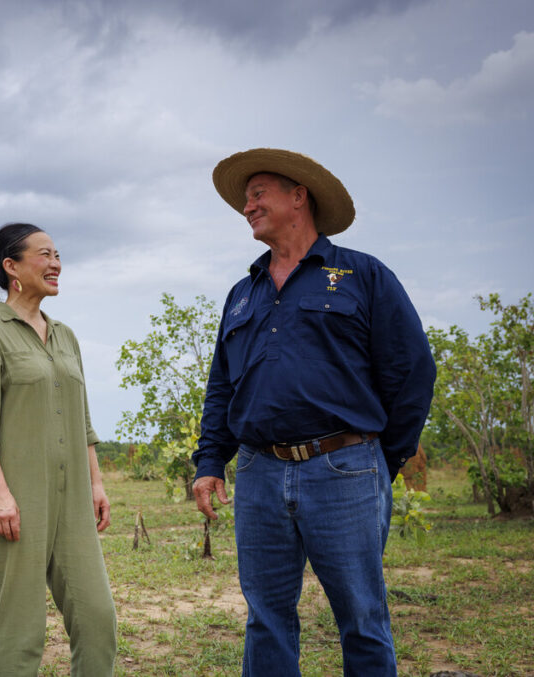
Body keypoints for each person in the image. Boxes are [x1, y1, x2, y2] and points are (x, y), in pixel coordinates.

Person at [192, 149, 436, 676]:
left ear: (298, 196)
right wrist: (210, 462)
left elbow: (411, 371)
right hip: (258, 473)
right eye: (245, 199)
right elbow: (222, 387)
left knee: (362, 618)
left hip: (345, 468)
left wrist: (377, 460)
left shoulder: (362, 275)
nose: (247, 206)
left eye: (258, 194)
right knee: (266, 617)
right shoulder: (242, 294)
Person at [0, 223, 117, 676]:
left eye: (58, 254)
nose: (56, 263)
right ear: (12, 267)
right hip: (16, 502)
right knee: (22, 631)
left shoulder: (66, 336)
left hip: (74, 503)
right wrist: (0, 495)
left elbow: (81, 418)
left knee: (98, 619)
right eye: (45, 254)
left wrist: (96, 483)